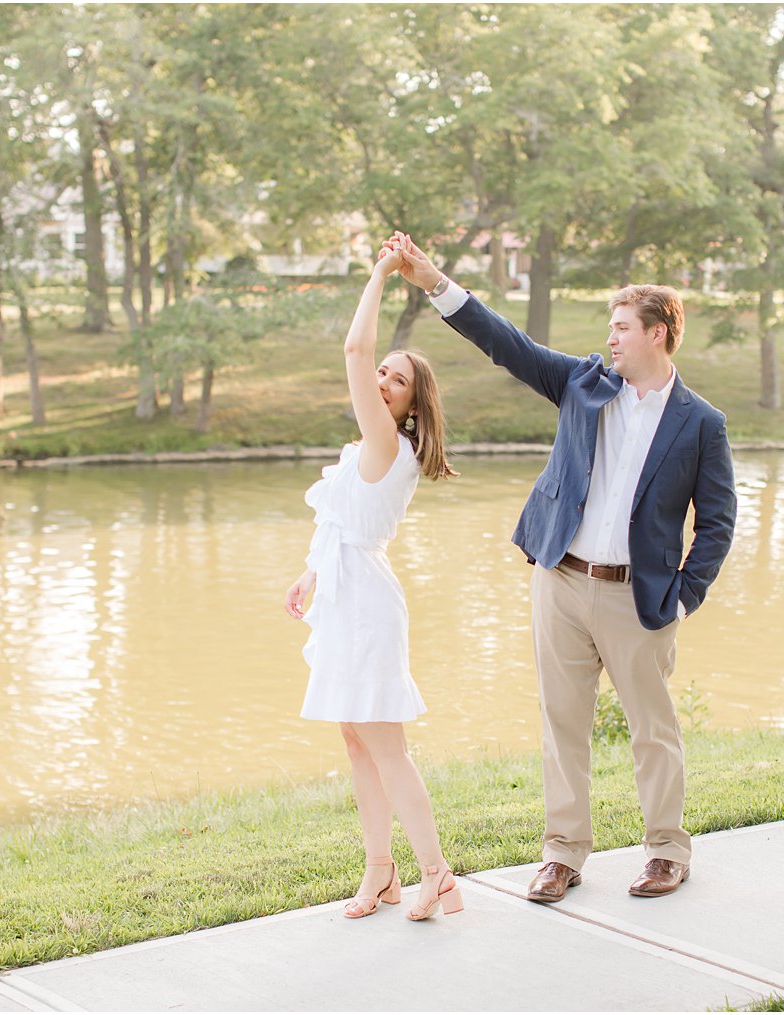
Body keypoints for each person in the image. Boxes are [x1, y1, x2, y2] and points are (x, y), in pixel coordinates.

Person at [383, 232, 736, 903]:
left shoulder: (701, 423)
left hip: (641, 598)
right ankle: (563, 852)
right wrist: (435, 282)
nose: (612, 339)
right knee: (561, 720)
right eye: (611, 327)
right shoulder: (582, 383)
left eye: (624, 328)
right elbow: (505, 343)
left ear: (659, 334)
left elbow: (717, 521)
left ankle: (665, 849)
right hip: (562, 579)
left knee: (652, 728)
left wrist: (685, 597)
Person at [283, 243, 463, 922]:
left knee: (386, 745)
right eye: (382, 374)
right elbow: (346, 524)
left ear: (411, 404)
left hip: (367, 610)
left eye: (396, 380)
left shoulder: (390, 442)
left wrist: (382, 273)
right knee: (356, 741)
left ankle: (437, 875)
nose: (381, 380)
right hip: (344, 596)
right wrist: (309, 574)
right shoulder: (368, 451)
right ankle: (381, 874)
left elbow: (354, 353)